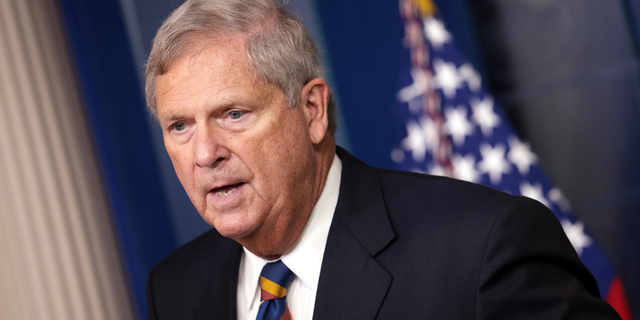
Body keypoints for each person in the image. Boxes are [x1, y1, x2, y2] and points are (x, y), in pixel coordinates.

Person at [144, 0, 621, 319]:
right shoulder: (175, 290)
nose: (205, 154)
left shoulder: (483, 250)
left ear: (311, 110)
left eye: (233, 114)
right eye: (179, 126)